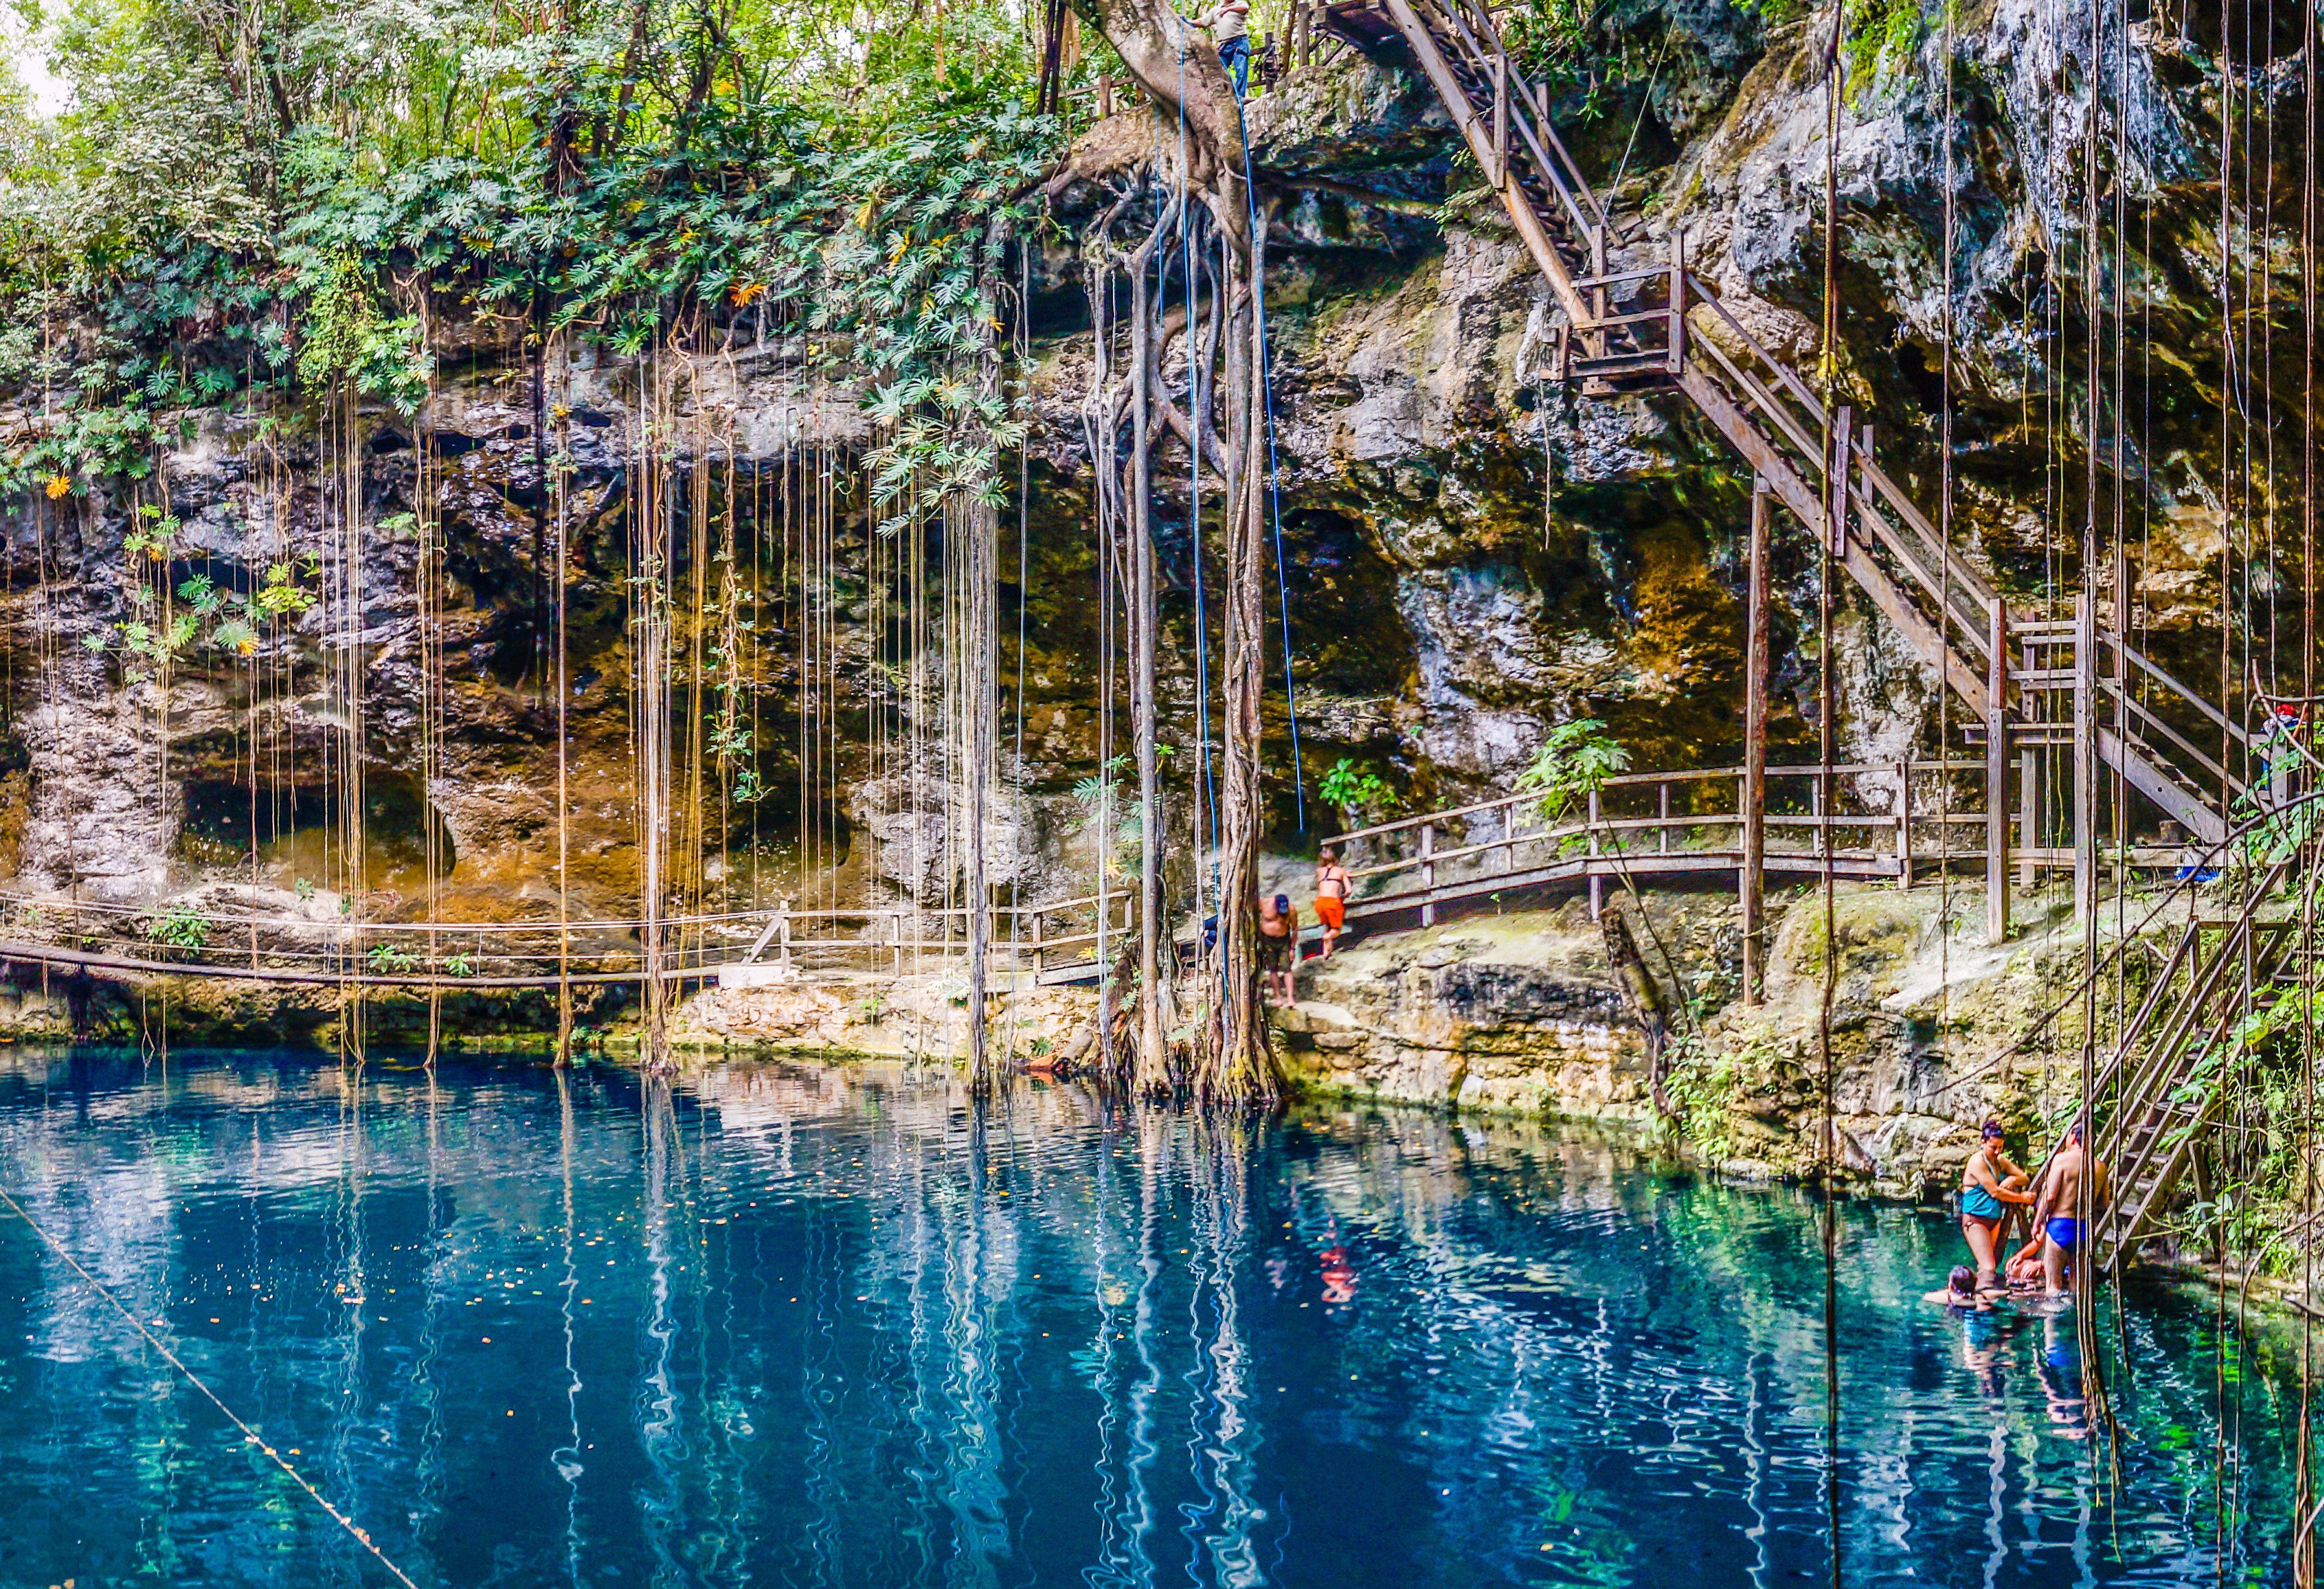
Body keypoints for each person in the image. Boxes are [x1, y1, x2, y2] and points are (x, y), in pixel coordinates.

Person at [2008, 1122, 2109, 1295]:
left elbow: (2050, 1197)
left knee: (2053, 1289)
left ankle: (2051, 1322)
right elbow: (2103, 1204)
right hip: (2084, 1229)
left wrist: (2038, 1222)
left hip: (2060, 1227)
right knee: (2079, 1290)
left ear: (2073, 1137)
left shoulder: (2062, 1160)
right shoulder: (2100, 1166)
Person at [1958, 1119, 2036, 1291]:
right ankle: (1980, 1302)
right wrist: (2022, 1198)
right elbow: (1995, 1192)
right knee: (1988, 1267)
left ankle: (1978, 1293)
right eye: (1993, 1147)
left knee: (1988, 1264)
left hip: (1994, 1219)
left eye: (2000, 1147)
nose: (1997, 1151)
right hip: (1976, 1220)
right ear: (1983, 1143)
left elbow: (2024, 1177)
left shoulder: (2000, 1161)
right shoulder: (1977, 1161)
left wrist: (2012, 1179)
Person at [1191, 0, 1252, 99]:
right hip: (1224, 45)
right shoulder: (1216, 10)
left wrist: (1228, 9)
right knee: (1218, 70)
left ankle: (1240, 97)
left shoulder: (1240, 4)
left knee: (1241, 70)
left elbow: (1245, 8)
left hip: (1239, 42)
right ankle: (1223, 95)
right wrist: (1185, 22)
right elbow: (1202, 22)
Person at [1259, 891, 1299, 1007]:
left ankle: (1290, 998)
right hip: (1268, 941)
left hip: (1284, 941)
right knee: (1273, 969)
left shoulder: (1291, 910)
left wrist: (1292, 948)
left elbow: (1295, 929)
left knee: (1287, 969)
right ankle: (1278, 997)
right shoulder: (1264, 904)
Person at [1313, 846, 1352, 957]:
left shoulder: (1319, 871)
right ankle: (1327, 938)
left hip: (1319, 902)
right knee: (1336, 930)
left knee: (1328, 926)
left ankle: (1327, 952)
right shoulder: (1341, 871)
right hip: (1332, 902)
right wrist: (1343, 898)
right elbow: (1349, 890)